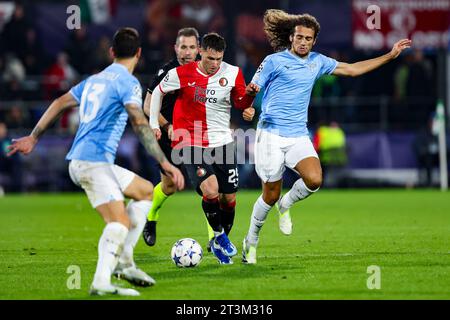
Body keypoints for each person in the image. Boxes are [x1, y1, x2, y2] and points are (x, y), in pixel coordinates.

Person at [7, 28, 185, 296]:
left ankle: (124, 263)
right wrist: (165, 162)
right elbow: (138, 122)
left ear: (111, 52)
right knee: (119, 223)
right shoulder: (128, 83)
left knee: (145, 191)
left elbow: (59, 102)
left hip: (91, 161)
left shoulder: (93, 80)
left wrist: (34, 137)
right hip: (91, 163)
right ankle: (101, 281)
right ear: (139, 53)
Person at [242, 9, 411, 264]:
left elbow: (353, 70)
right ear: (291, 38)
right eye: (299, 37)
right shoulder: (274, 61)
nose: (302, 42)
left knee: (314, 179)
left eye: (308, 38)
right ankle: (251, 241)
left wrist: (390, 55)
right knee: (270, 194)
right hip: (271, 134)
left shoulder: (318, 61)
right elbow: (252, 89)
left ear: (313, 41)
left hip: (298, 134)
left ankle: (286, 205)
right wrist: (249, 104)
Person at [147, 32, 256, 264]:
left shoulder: (233, 72)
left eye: (218, 59)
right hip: (190, 140)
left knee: (229, 198)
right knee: (210, 190)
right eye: (210, 59)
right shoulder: (180, 73)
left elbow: (239, 102)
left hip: (223, 141)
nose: (214, 64)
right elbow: (157, 92)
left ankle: (219, 240)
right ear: (201, 53)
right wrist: (155, 124)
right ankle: (218, 235)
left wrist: (248, 105)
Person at [142, 27, 212, 247]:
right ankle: (151, 217)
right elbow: (146, 104)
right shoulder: (166, 72)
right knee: (170, 186)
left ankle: (216, 237)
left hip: (194, 136)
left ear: (199, 49)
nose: (187, 52)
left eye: (192, 47)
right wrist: (167, 125)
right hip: (166, 137)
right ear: (175, 48)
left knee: (208, 188)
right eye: (183, 47)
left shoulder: (205, 72)